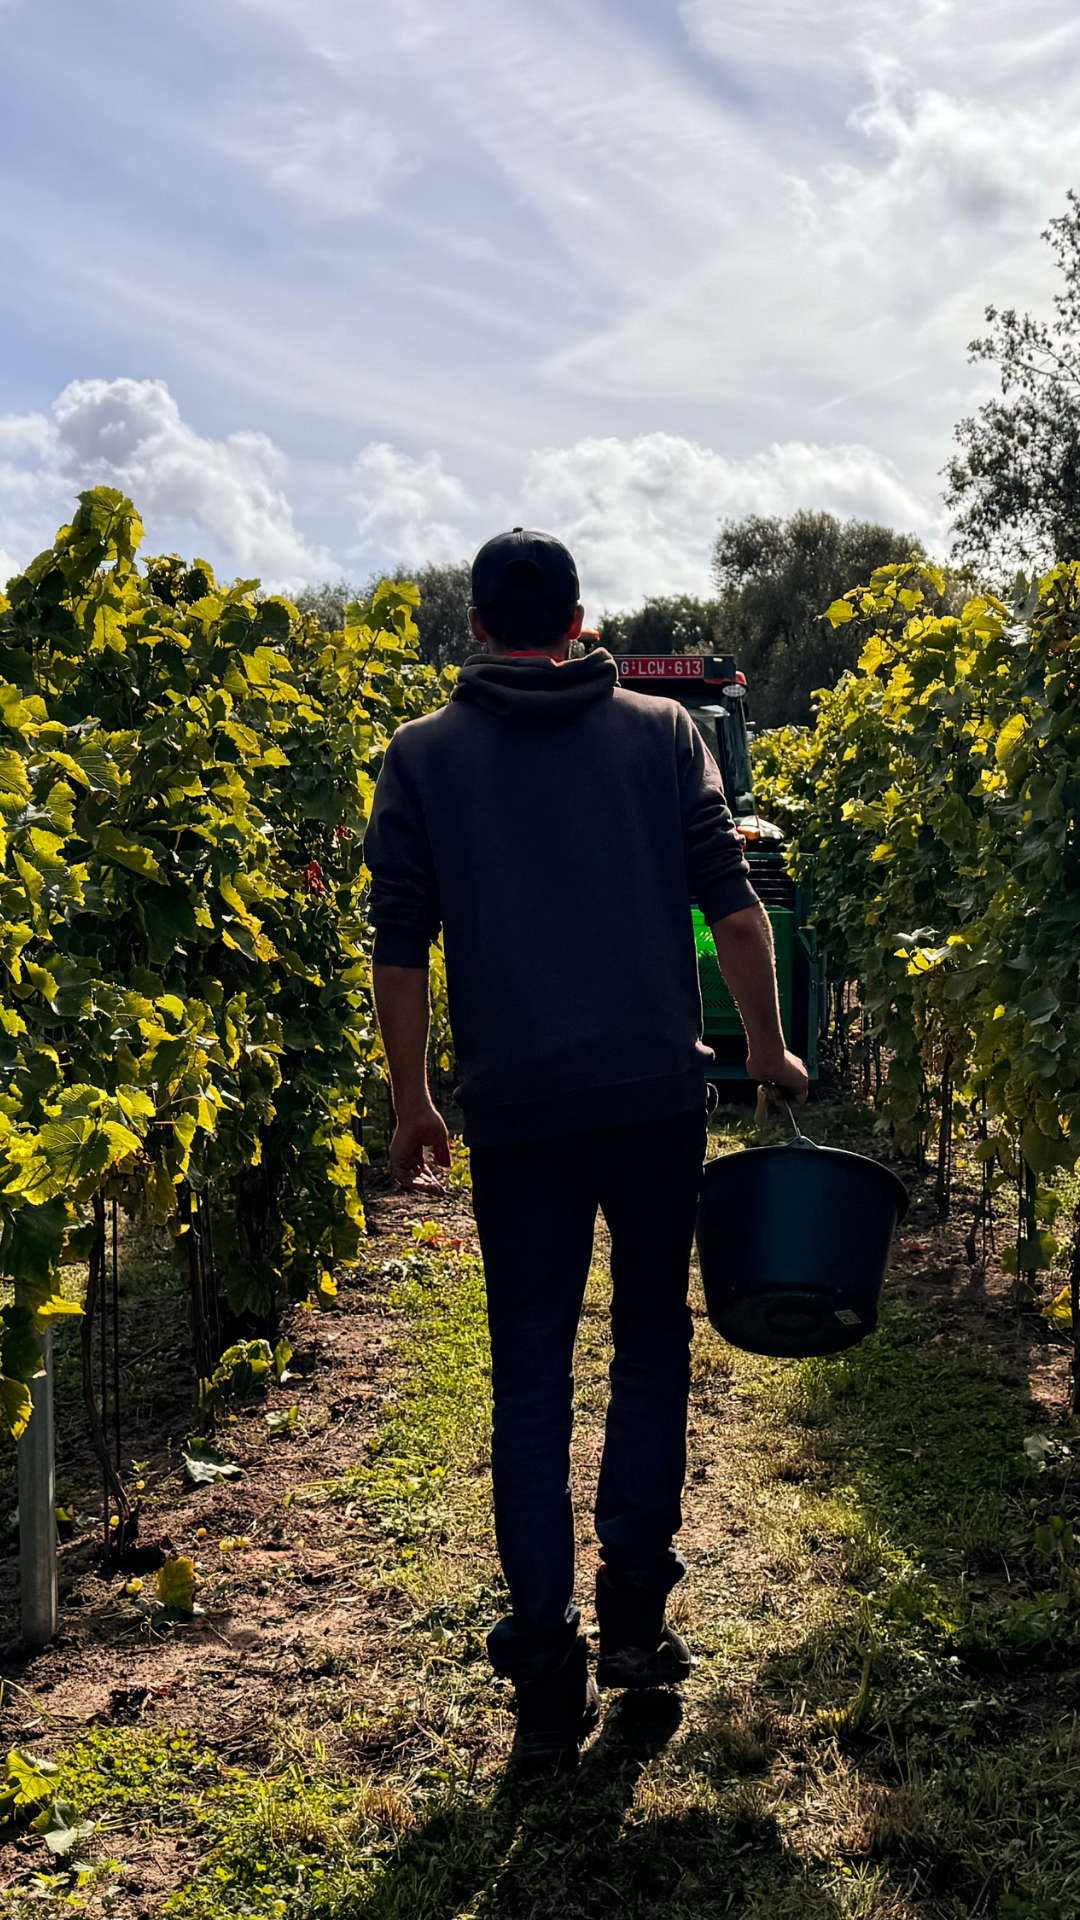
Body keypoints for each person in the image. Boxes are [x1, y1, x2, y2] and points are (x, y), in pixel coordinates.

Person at [364, 529, 807, 1774]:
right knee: (651, 1345)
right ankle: (634, 1623)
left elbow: (400, 948)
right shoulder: (659, 735)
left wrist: (415, 1104)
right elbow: (732, 903)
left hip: (515, 1113)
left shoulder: (422, 756)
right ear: (577, 619)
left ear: (475, 625)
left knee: (530, 1382)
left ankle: (546, 1672)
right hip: (653, 1098)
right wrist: (767, 1051)